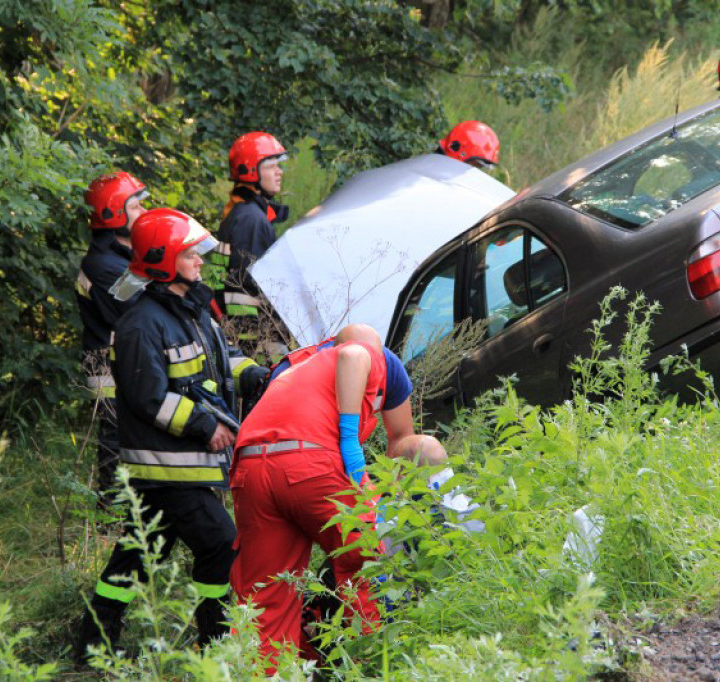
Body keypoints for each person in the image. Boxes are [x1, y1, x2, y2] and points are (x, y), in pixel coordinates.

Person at [76, 207, 268, 660]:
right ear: (163, 260)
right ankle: (216, 642)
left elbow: (224, 360)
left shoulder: (193, 309)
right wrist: (206, 426)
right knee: (222, 542)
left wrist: (259, 375)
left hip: (178, 465)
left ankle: (93, 644)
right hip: (170, 467)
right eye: (189, 254)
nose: (200, 260)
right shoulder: (141, 324)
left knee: (138, 556)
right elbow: (149, 397)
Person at [229, 323, 446, 670]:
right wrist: (349, 438)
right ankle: (374, 668)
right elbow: (354, 353)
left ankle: (271, 674)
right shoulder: (362, 351)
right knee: (365, 565)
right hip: (309, 462)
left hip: (251, 467)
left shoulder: (294, 368)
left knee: (266, 598)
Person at [76, 171, 149, 498]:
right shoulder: (103, 265)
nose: (144, 214)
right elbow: (138, 310)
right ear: (113, 214)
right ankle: (112, 514)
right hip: (107, 365)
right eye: (136, 207)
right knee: (116, 441)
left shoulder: (121, 259)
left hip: (120, 361)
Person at [213, 132, 290, 355]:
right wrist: (264, 343)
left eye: (279, 166)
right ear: (250, 172)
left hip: (249, 337)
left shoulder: (245, 214)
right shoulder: (250, 220)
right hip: (256, 341)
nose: (279, 172)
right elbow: (251, 286)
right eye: (271, 166)